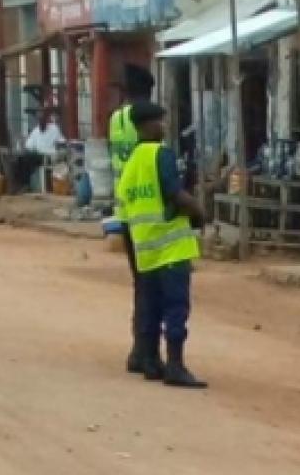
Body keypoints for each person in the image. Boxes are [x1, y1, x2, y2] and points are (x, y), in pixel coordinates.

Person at [114, 100, 209, 388]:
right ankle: (176, 366)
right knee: (176, 306)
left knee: (150, 305)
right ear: (147, 125)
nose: (164, 126)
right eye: (160, 121)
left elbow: (125, 210)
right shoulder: (161, 154)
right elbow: (174, 194)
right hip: (171, 245)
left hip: (145, 247)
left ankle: (150, 361)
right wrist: (199, 211)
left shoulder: (130, 163)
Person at [110, 64, 155, 375]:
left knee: (140, 283)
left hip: (126, 210)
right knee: (152, 286)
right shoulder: (147, 122)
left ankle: (139, 349)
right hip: (151, 213)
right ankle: (144, 350)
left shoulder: (116, 119)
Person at [13, 109, 65, 190]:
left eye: (43, 120)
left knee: (27, 159)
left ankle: (25, 184)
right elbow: (28, 145)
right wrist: (23, 143)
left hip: (49, 156)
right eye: (39, 120)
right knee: (20, 159)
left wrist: (58, 148)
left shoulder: (54, 129)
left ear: (46, 120)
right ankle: (21, 184)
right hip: (38, 155)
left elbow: (62, 142)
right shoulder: (36, 131)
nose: (41, 122)